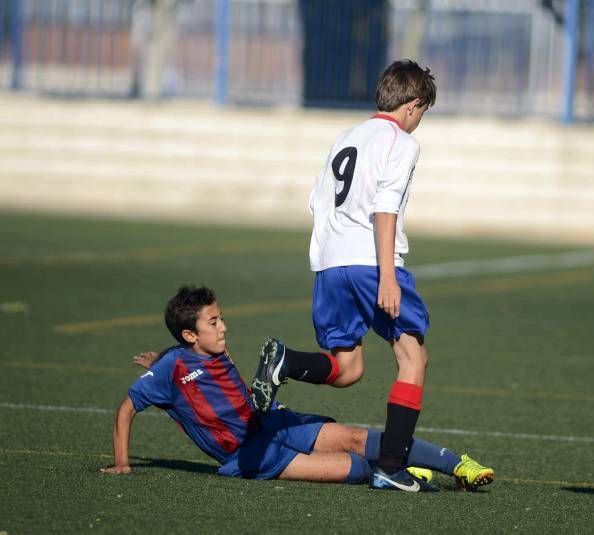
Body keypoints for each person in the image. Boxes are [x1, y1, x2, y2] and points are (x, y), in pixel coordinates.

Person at [250, 59, 441, 491]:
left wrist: (326, 260)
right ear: (412, 106)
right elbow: (384, 207)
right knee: (414, 359)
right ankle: (391, 468)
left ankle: (285, 362)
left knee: (348, 367)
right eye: (423, 113)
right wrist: (388, 276)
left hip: (330, 264)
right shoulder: (401, 142)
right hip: (371, 263)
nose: (420, 122)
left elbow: (317, 203)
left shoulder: (346, 137)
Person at [99, 285, 494, 492]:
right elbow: (125, 410)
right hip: (249, 456)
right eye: (214, 322)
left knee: (357, 438)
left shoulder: (205, 353)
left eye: (221, 318)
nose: (224, 327)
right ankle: (403, 470)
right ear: (189, 334)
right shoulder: (173, 366)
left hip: (272, 421)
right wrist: (122, 462)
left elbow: (220, 385)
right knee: (354, 470)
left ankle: (457, 463)